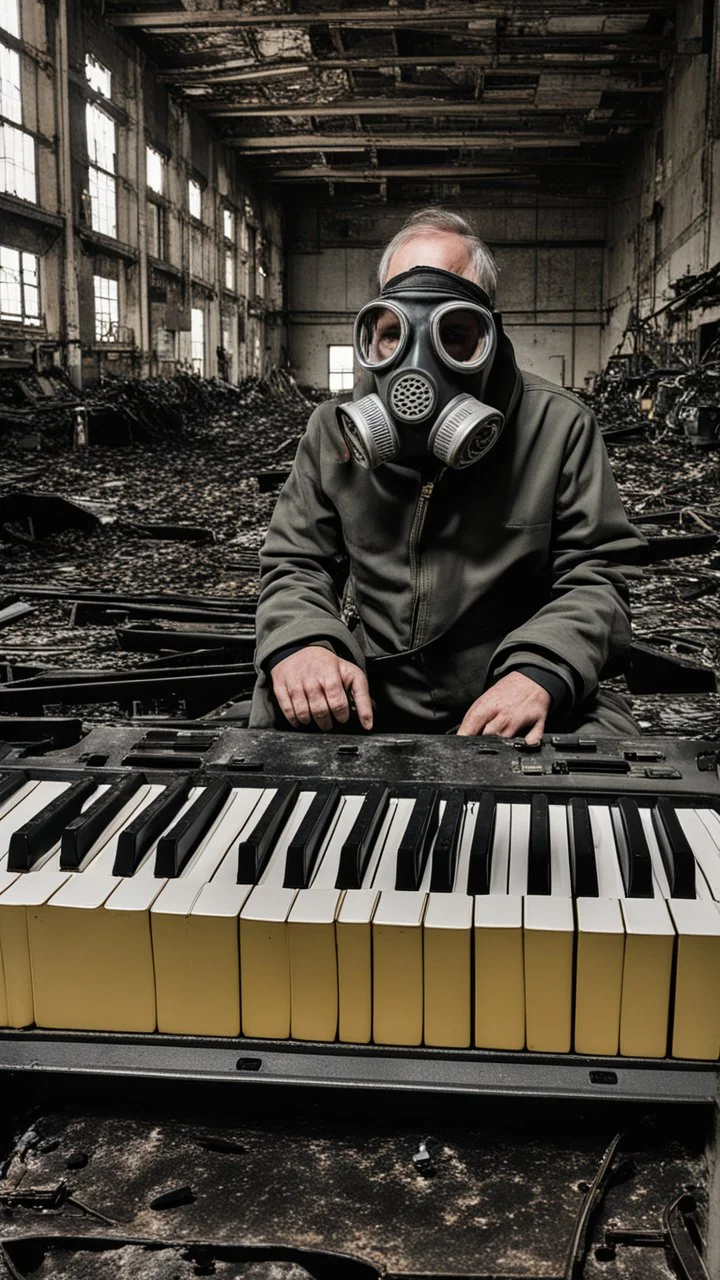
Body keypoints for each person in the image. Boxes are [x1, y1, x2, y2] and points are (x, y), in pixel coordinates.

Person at [249, 208, 644, 743]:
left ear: (489, 338)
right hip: (372, 687)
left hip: (509, 685)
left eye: (453, 334)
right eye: (392, 334)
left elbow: (597, 575)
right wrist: (304, 643)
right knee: (279, 716)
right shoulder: (332, 432)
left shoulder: (557, 425)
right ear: (372, 333)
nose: (416, 364)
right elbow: (296, 564)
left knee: (608, 761)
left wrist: (542, 672)